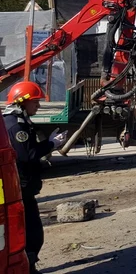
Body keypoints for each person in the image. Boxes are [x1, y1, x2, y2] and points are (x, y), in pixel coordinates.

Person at [3, 81, 68, 274]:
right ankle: (28, 268)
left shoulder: (18, 121)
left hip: (21, 187)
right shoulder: (17, 126)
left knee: (28, 232)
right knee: (32, 234)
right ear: (23, 102)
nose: (38, 106)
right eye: (35, 102)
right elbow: (27, 155)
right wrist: (51, 145)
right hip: (21, 189)